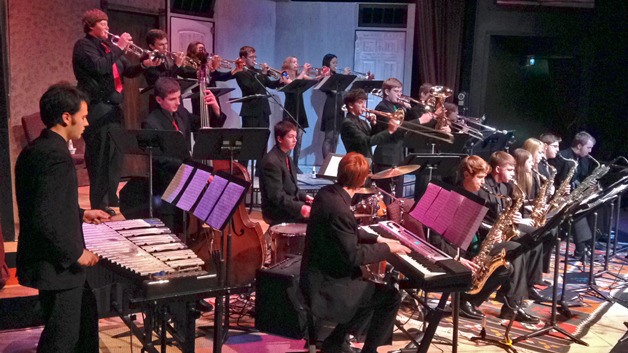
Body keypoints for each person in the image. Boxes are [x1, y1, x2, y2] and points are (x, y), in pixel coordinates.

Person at [15, 83, 111, 352]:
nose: (87, 123)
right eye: (83, 116)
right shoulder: (56, 157)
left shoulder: (36, 149)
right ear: (66, 117)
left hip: (49, 261)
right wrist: (76, 253)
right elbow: (45, 216)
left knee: (84, 320)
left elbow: (45, 203)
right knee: (62, 339)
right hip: (58, 265)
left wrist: (82, 213)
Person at [300, 152, 410, 353]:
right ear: (362, 180)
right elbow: (354, 256)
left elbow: (346, 233)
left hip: (319, 272)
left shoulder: (326, 193)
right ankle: (369, 350)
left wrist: (378, 239)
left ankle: (336, 340)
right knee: (390, 296)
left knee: (371, 288)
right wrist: (388, 248)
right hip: (326, 285)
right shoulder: (340, 209)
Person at [72, 9, 159, 216]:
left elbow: (127, 71)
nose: (107, 28)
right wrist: (118, 47)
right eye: (102, 24)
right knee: (99, 158)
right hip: (97, 108)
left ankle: (111, 198)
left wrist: (145, 64)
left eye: (107, 23)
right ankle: (97, 204)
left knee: (114, 157)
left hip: (113, 108)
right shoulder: (84, 46)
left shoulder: (107, 48)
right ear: (91, 26)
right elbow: (100, 67)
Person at [120, 77, 220, 233]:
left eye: (179, 97)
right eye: (172, 99)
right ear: (159, 100)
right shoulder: (151, 123)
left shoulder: (181, 112)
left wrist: (215, 109)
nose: (178, 102)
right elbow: (159, 159)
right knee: (172, 229)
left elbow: (203, 125)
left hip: (186, 178)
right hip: (167, 183)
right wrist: (193, 170)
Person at [233, 45, 284, 172]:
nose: (254, 59)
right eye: (251, 57)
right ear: (243, 58)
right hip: (250, 112)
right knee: (247, 144)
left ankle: (260, 171)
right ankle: (242, 171)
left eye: (255, 57)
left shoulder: (257, 72)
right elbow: (251, 87)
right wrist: (263, 74)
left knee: (263, 143)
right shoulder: (240, 74)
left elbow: (270, 85)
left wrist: (280, 80)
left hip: (263, 110)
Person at [260, 120, 313, 226]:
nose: (295, 140)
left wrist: (305, 197)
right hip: (276, 211)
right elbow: (276, 196)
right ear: (279, 139)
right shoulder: (271, 162)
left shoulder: (286, 156)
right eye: (291, 137)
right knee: (319, 217)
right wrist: (301, 207)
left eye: (295, 137)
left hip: (287, 205)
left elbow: (291, 188)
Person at [558, 131, 598, 260]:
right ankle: (581, 249)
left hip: (576, 194)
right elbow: (556, 179)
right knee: (577, 212)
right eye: (588, 147)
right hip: (561, 196)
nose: (590, 151)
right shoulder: (563, 156)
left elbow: (582, 177)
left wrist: (589, 185)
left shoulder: (584, 159)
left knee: (594, 207)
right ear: (579, 146)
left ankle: (588, 245)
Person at [371, 78, 412, 199]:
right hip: (386, 157)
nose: (400, 94)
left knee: (397, 198)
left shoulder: (397, 106)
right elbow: (396, 130)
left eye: (400, 91)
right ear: (387, 92)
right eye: (396, 91)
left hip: (398, 156)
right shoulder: (382, 107)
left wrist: (409, 109)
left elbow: (410, 124)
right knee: (386, 196)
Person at [340, 88, 398, 158]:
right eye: (360, 102)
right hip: (356, 162)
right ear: (350, 105)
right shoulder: (347, 123)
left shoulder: (363, 122)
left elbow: (374, 137)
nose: (364, 106)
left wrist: (373, 124)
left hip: (367, 161)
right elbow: (367, 142)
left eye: (364, 102)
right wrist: (389, 131)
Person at [280, 56, 314, 173]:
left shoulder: (300, 75)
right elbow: (292, 85)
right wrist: (303, 72)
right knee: (288, 139)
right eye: (294, 62)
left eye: (297, 62)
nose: (296, 64)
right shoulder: (284, 74)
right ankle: (286, 165)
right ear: (288, 64)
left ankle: (295, 165)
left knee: (298, 139)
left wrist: (322, 76)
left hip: (300, 109)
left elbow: (313, 80)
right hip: (290, 109)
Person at [320, 53, 350, 160]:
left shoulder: (336, 76)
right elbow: (327, 89)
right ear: (327, 63)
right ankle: (326, 163)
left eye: (336, 62)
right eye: (333, 63)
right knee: (329, 137)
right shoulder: (326, 75)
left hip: (340, 107)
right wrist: (344, 77)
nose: (335, 65)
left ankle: (331, 162)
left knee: (336, 137)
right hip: (331, 107)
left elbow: (343, 91)